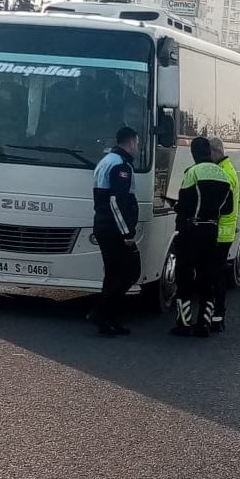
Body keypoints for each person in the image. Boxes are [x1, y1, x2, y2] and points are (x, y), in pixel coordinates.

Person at [172, 136, 234, 338]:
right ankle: (204, 324)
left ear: (193, 154)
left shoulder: (192, 173)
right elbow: (228, 208)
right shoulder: (223, 175)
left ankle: (184, 323)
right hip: (211, 233)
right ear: (209, 152)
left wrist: (177, 207)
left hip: (191, 233)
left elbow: (184, 205)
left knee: (184, 278)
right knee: (207, 279)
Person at [89, 127, 141, 337]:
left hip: (104, 226)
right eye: (136, 144)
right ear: (130, 143)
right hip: (114, 231)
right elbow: (117, 203)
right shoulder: (120, 166)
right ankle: (101, 313)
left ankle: (109, 320)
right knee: (130, 272)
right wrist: (127, 234)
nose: (137, 148)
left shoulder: (106, 161)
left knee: (113, 274)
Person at [209, 136, 239, 332]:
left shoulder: (224, 173)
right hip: (222, 233)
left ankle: (217, 317)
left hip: (220, 234)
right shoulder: (226, 169)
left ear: (216, 152)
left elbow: (218, 205)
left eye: (209, 153)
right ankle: (215, 316)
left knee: (216, 278)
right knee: (214, 277)